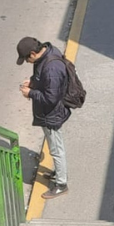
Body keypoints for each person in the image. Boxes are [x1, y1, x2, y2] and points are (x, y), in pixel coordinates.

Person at [17, 36, 70, 200]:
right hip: (50, 112)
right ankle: (59, 173)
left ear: (33, 53)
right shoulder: (48, 53)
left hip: (51, 115)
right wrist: (32, 82)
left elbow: (51, 98)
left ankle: (61, 184)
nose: (27, 61)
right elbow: (44, 81)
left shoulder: (51, 69)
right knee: (55, 147)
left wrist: (30, 93)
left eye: (27, 58)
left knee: (56, 149)